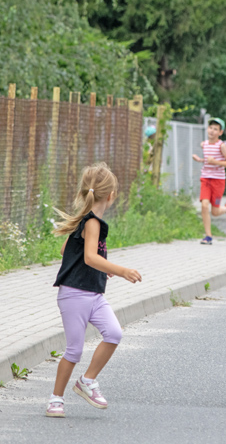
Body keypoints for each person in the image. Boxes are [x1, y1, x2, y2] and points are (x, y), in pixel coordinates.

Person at [46, 162, 142, 418]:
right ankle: (56, 399)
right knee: (74, 349)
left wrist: (102, 266)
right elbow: (89, 257)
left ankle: (87, 381)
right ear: (111, 195)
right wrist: (120, 270)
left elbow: (67, 251)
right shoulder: (91, 223)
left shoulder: (87, 220)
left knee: (113, 333)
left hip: (94, 294)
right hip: (75, 295)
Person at [192, 117, 226, 245]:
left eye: (215, 129)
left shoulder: (221, 146)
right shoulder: (204, 144)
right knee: (204, 205)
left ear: (220, 133)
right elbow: (207, 160)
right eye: (210, 128)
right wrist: (199, 160)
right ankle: (208, 236)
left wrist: (215, 161)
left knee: (215, 212)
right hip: (205, 178)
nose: (212, 131)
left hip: (218, 180)